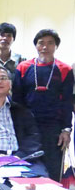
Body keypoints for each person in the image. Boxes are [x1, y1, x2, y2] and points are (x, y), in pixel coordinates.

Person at [13, 29, 74, 181]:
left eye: (50, 43)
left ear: (56, 46)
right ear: (36, 46)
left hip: (53, 128)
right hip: (27, 126)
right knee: (25, 167)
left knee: (52, 169)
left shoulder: (65, 69)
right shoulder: (23, 67)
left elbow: (67, 102)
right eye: (41, 43)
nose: (45, 47)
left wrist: (66, 129)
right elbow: (16, 99)